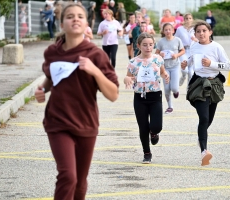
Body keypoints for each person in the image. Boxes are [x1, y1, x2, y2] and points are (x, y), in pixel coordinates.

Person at [34, 3, 119, 199]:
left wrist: (95, 71)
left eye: (80, 16)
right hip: (57, 122)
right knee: (68, 176)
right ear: (62, 23)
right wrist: (42, 90)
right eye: (70, 16)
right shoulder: (52, 52)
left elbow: (113, 94)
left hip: (85, 123)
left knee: (80, 183)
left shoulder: (96, 55)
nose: (75, 19)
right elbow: (52, 78)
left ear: (86, 23)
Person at [181, 20, 230, 166]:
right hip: (198, 84)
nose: (201, 33)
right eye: (198, 31)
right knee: (203, 117)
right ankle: (204, 151)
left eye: (204, 30)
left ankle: (201, 137)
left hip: (214, 84)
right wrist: (186, 63)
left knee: (208, 120)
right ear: (195, 34)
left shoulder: (217, 47)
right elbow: (193, 59)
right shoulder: (194, 46)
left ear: (210, 32)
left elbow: (228, 66)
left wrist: (212, 64)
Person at [124, 32, 169, 164]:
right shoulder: (133, 62)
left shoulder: (158, 59)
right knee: (143, 127)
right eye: (144, 45)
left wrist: (165, 75)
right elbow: (128, 76)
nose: (148, 47)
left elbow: (162, 71)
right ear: (138, 46)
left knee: (157, 126)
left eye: (150, 45)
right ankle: (147, 153)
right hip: (140, 97)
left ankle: (154, 133)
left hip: (155, 95)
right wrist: (127, 79)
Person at [155, 23, 185, 114]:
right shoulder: (161, 42)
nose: (168, 31)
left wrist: (176, 55)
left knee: (174, 88)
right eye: (166, 30)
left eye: (169, 29)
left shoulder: (177, 40)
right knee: (167, 88)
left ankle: (176, 92)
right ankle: (170, 106)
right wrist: (160, 54)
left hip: (175, 66)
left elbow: (183, 51)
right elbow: (156, 54)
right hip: (164, 68)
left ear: (173, 30)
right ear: (163, 31)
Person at [174, 13, 198, 87]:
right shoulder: (180, 29)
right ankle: (183, 76)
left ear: (192, 19)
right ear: (184, 20)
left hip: (193, 51)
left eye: (190, 18)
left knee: (191, 72)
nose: (188, 20)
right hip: (183, 50)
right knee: (185, 70)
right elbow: (175, 39)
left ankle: (189, 89)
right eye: (186, 18)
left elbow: (201, 39)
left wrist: (195, 39)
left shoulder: (195, 29)